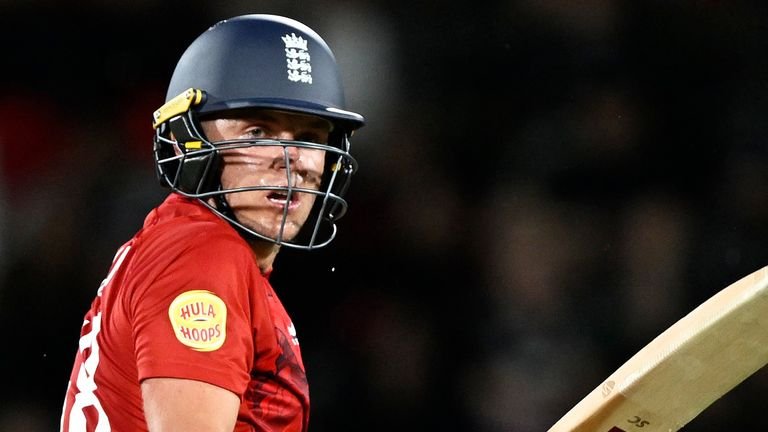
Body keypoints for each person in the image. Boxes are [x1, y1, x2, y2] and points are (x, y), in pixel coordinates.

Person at [60, 14, 364, 432]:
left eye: (311, 137)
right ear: (191, 141)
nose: (293, 160)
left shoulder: (185, 244)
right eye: (258, 131)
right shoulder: (202, 256)